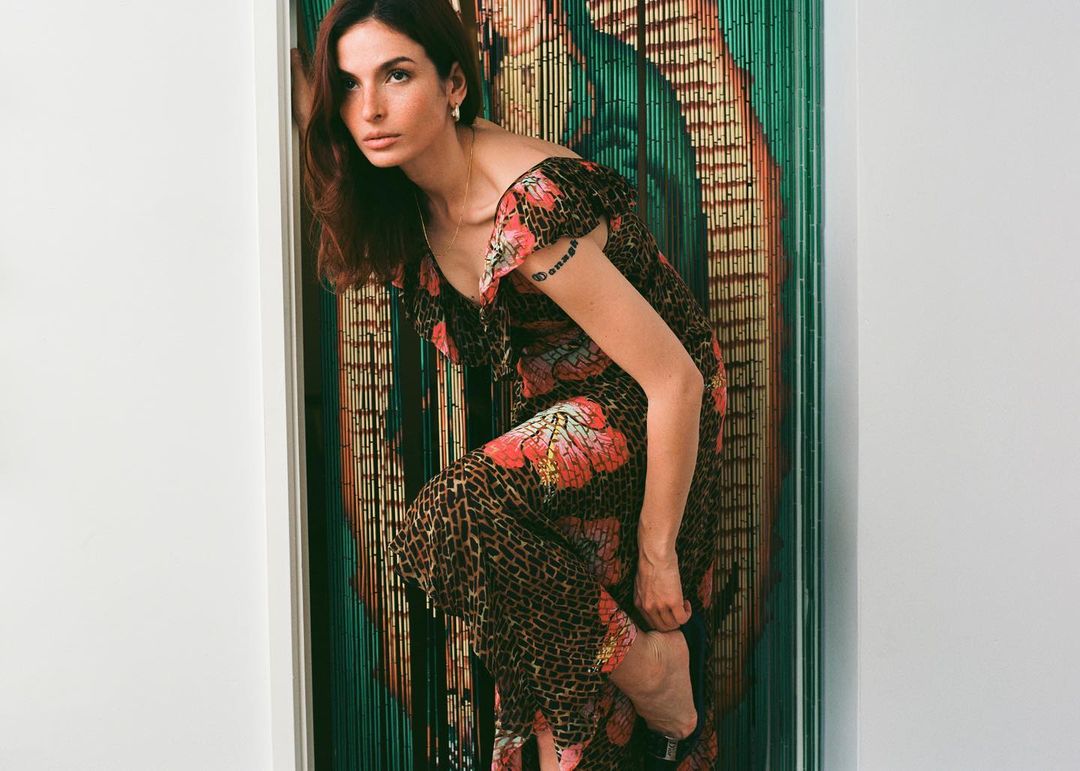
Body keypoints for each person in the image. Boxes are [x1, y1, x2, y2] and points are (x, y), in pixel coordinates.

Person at [290, 0, 729, 767]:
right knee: (556, 667)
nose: (371, 110)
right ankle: (637, 702)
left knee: (453, 515)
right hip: (561, 418)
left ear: (455, 83)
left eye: (398, 75)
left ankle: (656, 668)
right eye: (350, 85)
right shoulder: (412, 206)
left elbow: (676, 379)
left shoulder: (525, 206)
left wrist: (659, 552)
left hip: (649, 408)